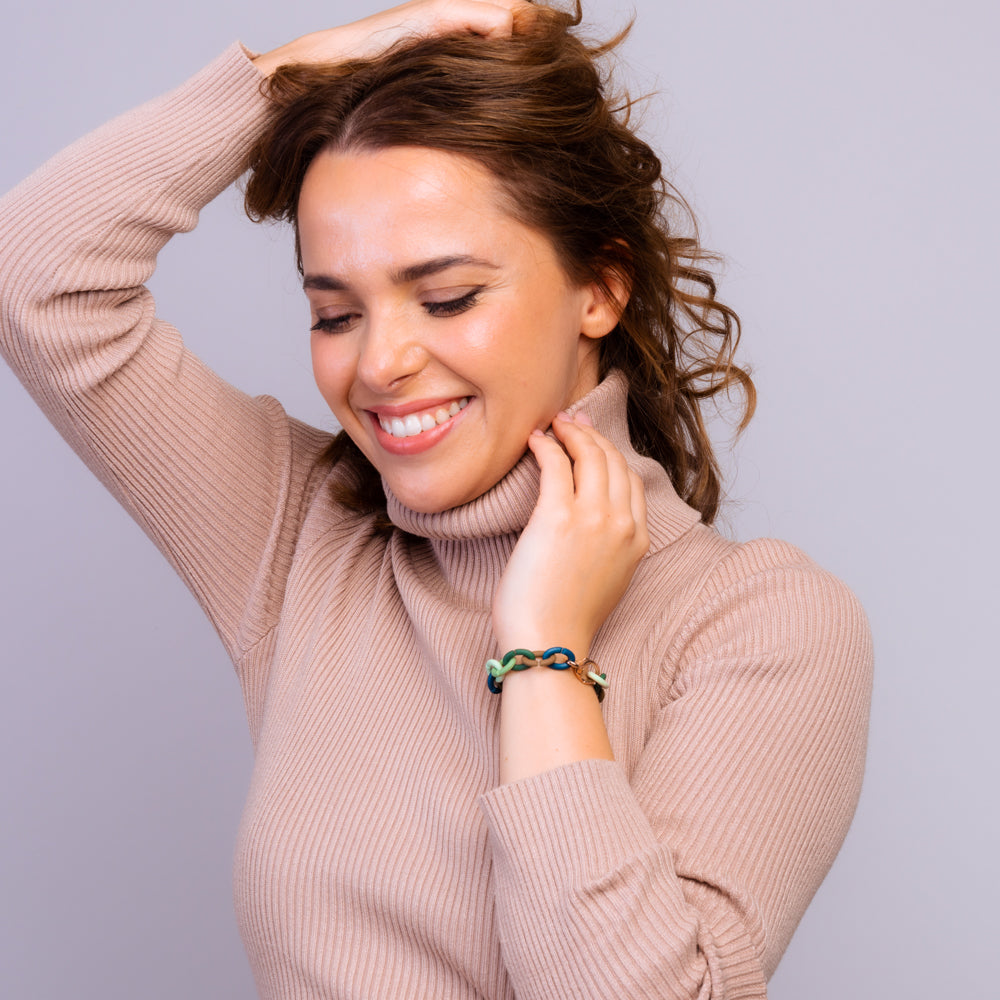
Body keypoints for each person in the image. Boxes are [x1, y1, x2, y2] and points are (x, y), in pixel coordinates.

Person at [0, 1, 872, 997]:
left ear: (600, 287)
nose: (380, 362)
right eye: (334, 311)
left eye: (448, 296)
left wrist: (544, 650)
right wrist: (295, 76)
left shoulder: (761, 625)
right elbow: (37, 271)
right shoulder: (299, 532)